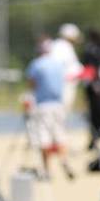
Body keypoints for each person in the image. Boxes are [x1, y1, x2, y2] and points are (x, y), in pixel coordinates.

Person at [26, 37, 75, 180]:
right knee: (60, 134)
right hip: (59, 104)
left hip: (43, 105)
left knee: (44, 137)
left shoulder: (36, 64)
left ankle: (47, 170)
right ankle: (64, 161)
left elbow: (32, 83)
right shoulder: (58, 64)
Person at [50, 23, 83, 114]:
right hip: (63, 84)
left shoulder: (64, 46)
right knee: (60, 111)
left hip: (67, 83)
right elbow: (57, 66)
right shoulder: (61, 46)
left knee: (63, 111)